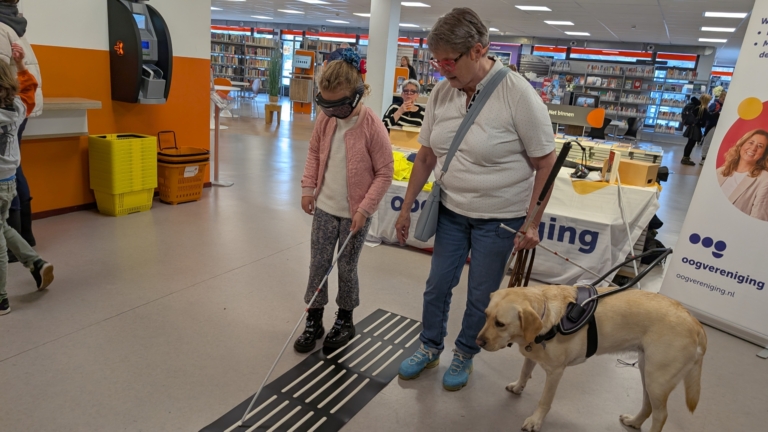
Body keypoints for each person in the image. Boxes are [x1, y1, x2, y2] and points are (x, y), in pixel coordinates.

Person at [394, 8, 556, 391]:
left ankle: (465, 352)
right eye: (436, 61)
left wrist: (532, 221)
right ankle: (430, 347)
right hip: (451, 211)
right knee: (436, 286)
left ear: (478, 51)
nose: (441, 70)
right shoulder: (442, 93)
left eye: (449, 61)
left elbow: (546, 162)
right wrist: (405, 207)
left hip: (498, 220)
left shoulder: (518, 95)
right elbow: (428, 155)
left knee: (482, 297)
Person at [295, 49, 394, 352]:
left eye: (337, 106)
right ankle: (314, 318)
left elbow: (385, 172)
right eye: (325, 104)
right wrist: (308, 188)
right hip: (325, 209)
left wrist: (365, 209)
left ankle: (345, 320)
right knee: (318, 265)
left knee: (346, 268)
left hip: (355, 215)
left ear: (356, 95)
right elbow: (314, 153)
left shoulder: (371, 125)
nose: (331, 112)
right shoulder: (326, 121)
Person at [0, 43, 54, 315]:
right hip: (9, 180)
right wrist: (20, 65)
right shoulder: (18, 108)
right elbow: (29, 87)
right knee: (2, 226)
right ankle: (35, 263)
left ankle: (1, 298)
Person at [0, 0, 41, 260]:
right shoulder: (15, 22)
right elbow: (24, 86)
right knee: (14, 169)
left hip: (6, 106)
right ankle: (25, 237)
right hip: (17, 104)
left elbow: (2, 73)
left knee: (8, 173)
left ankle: (15, 247)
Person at [716, 129, 768, 221]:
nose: (753, 148)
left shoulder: (764, 179)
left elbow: (758, 218)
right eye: (751, 143)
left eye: (760, 146)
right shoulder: (720, 172)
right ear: (741, 145)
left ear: (763, 155)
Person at [681, 94, 712, 166]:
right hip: (696, 128)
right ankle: (685, 158)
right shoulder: (702, 109)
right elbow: (703, 120)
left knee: (689, 143)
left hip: (692, 126)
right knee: (691, 144)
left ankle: (685, 157)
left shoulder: (697, 106)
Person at [701, 90, 726, 165]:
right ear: (720, 98)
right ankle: (703, 158)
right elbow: (708, 116)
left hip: (720, 127)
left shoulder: (725, 106)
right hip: (711, 126)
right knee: (707, 142)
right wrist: (717, 113)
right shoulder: (714, 104)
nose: (724, 101)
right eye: (723, 99)